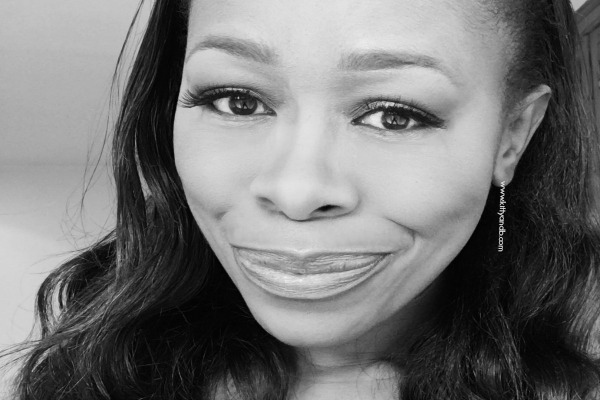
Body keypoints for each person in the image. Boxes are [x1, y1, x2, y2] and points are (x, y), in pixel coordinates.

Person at [6, 0, 600, 399]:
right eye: (237, 101)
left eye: (394, 115)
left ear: (512, 137)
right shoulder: (93, 374)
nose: (296, 192)